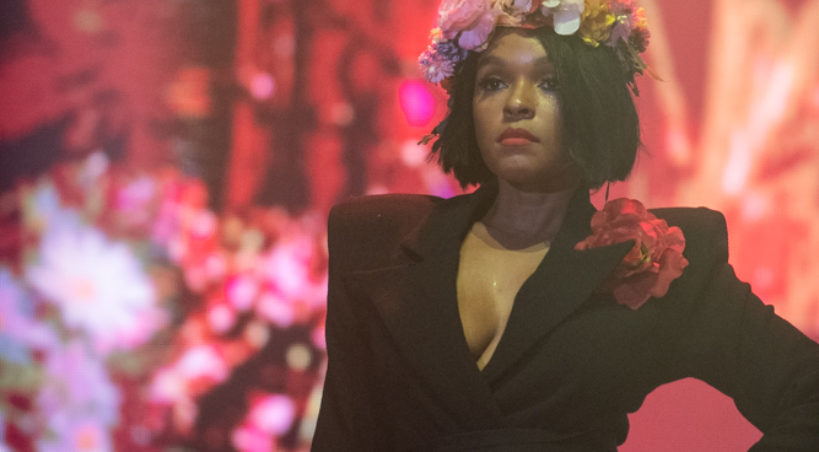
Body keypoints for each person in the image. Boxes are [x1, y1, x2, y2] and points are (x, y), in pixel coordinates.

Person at [312, 1, 819, 450]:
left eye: (550, 82)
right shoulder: (377, 240)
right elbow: (343, 435)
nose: (516, 102)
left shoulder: (657, 258)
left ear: (594, 103)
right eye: (493, 82)